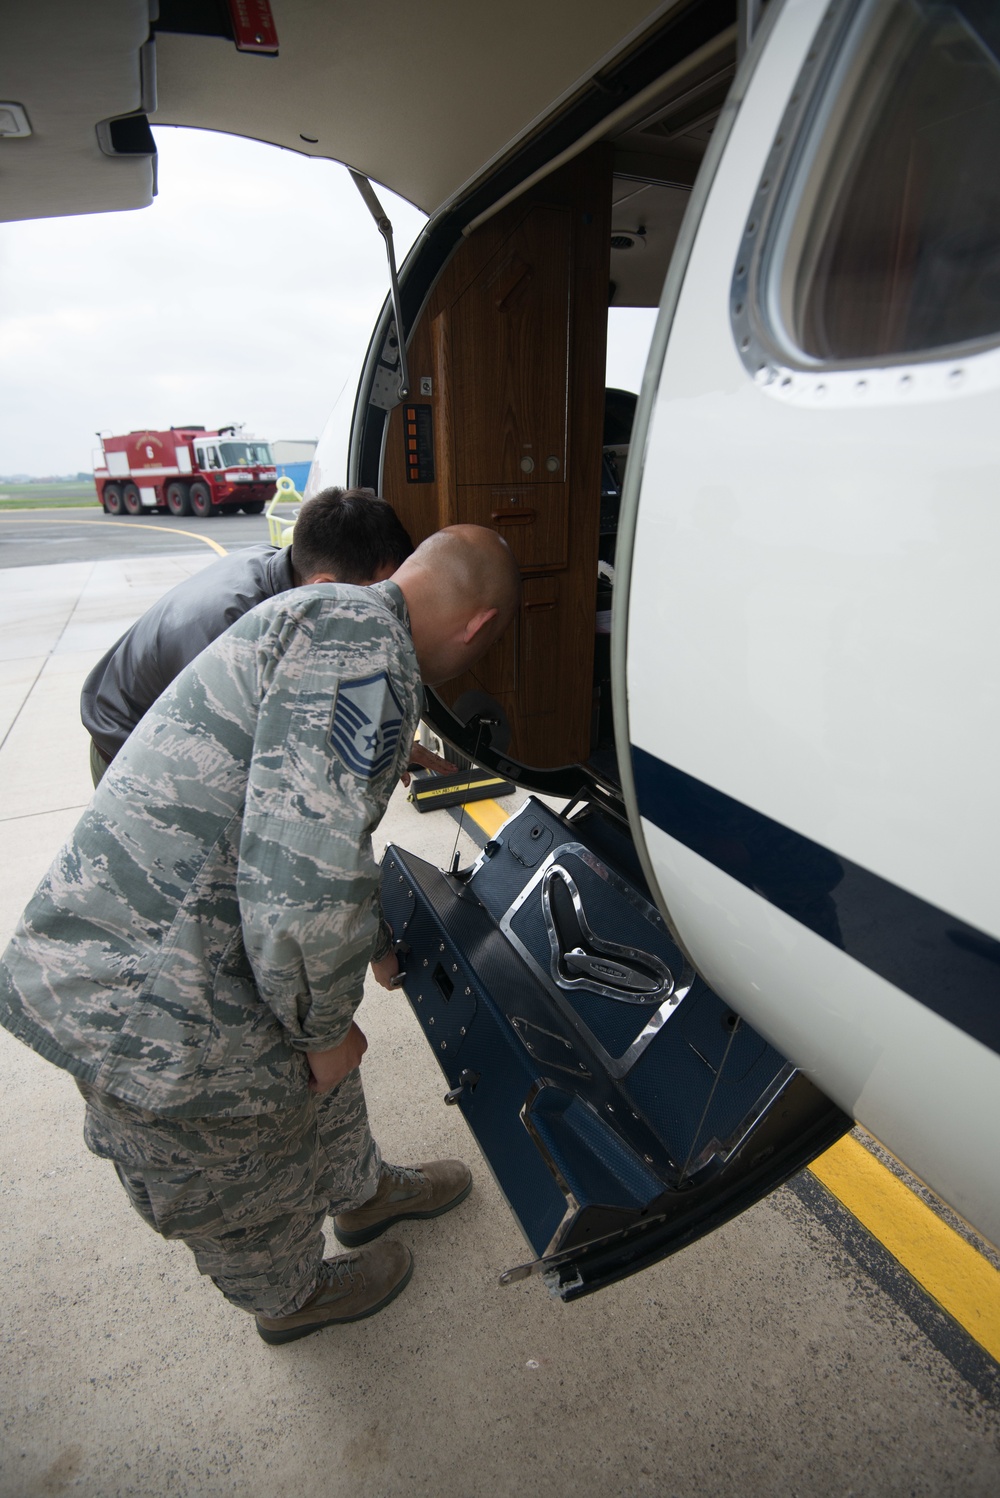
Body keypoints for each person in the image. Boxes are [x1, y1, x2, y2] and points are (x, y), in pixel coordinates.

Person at [0, 525, 521, 1345]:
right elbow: (301, 885)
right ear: (478, 627)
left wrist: (372, 946)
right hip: (143, 995)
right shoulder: (368, 657)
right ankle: (292, 1298)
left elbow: (307, 831)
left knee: (320, 1056)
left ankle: (362, 1195)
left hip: (175, 934)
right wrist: (319, 1030)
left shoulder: (330, 614)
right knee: (235, 1154)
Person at [81, 485, 453, 784]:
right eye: (373, 596)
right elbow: (255, 757)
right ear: (324, 584)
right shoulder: (231, 629)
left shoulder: (287, 572)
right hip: (136, 757)